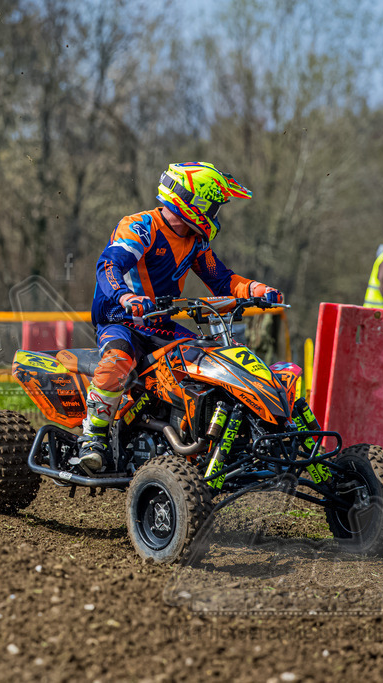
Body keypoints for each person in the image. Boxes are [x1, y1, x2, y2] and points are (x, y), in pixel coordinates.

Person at [78, 162, 282, 474]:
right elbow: (109, 265)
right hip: (120, 320)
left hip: (160, 325)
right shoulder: (141, 226)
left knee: (209, 361)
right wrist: (125, 296)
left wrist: (255, 289)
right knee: (118, 359)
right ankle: (94, 437)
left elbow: (221, 279)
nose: (215, 214)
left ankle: (199, 442)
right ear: (192, 200)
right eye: (212, 206)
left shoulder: (195, 241)